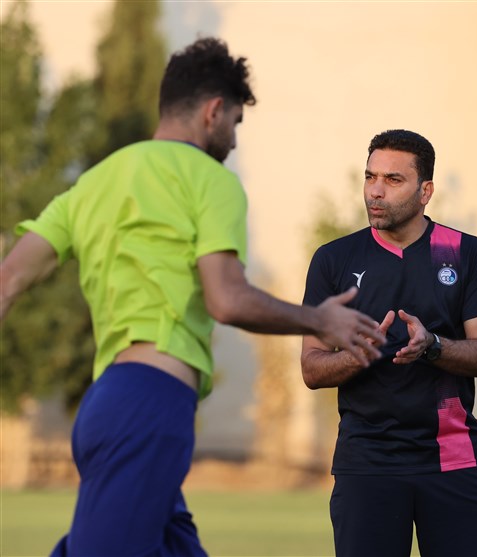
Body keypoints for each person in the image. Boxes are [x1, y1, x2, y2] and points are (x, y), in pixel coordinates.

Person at [0, 37, 384, 557]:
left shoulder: (92, 183)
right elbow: (226, 299)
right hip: (149, 404)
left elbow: (8, 280)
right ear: (213, 111)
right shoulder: (210, 181)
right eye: (235, 124)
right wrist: (318, 320)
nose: (234, 140)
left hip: (106, 405)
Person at [301, 129, 477, 557]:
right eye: (370, 177)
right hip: (367, 461)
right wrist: (359, 354)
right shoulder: (334, 260)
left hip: (454, 458)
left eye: (393, 180)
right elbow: (312, 368)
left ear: (425, 191)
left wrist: (432, 346)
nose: (375, 191)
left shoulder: (468, 253)